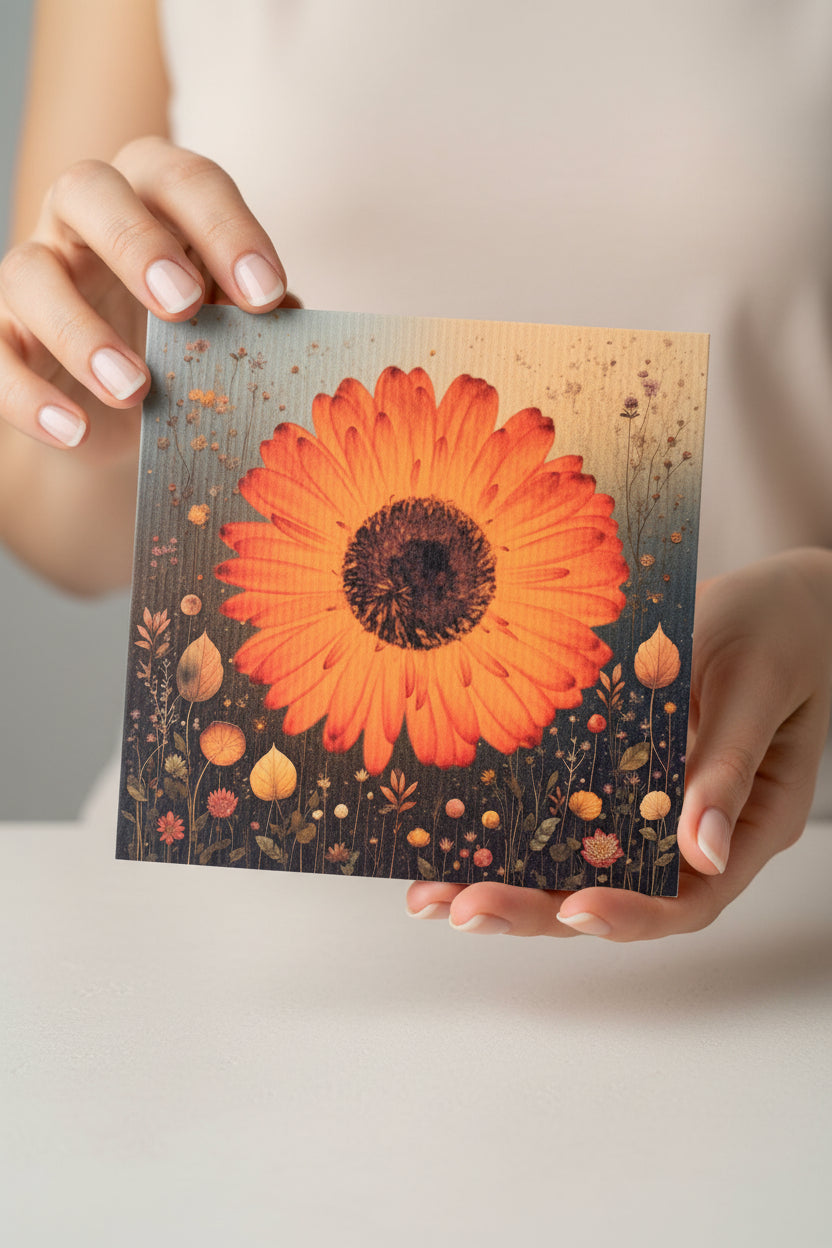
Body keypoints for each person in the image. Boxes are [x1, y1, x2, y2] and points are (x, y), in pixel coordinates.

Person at [1, 0, 830, 942]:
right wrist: (108, 404)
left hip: (774, 888)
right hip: (232, 907)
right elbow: (56, 531)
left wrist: (823, 603)